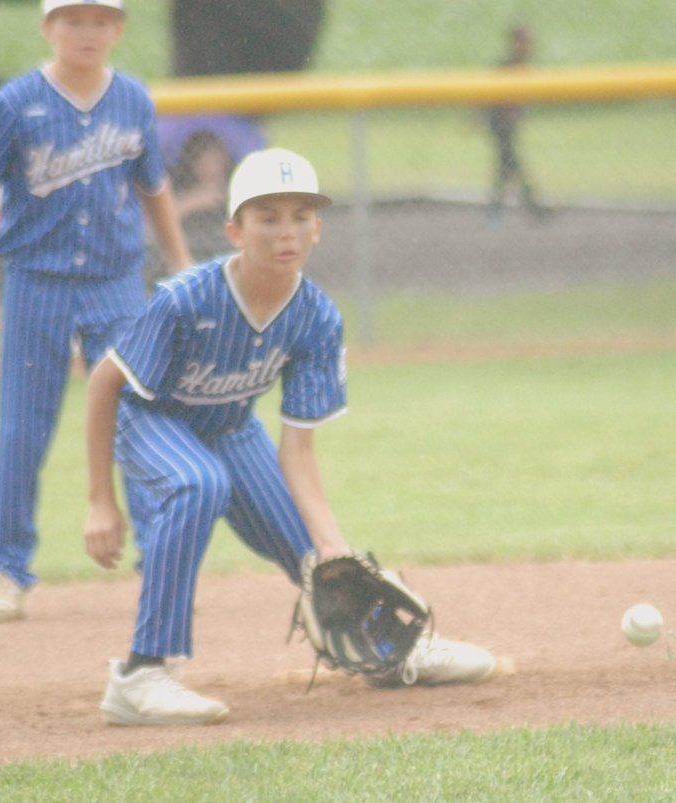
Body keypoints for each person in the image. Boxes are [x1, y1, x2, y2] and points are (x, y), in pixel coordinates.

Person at [83, 147, 496, 726]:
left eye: (301, 215)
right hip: (152, 420)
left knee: (323, 566)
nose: (286, 231)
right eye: (267, 216)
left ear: (318, 229)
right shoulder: (186, 298)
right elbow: (104, 383)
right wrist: (102, 500)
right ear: (235, 230)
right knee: (199, 483)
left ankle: (388, 652)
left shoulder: (316, 318)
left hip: (230, 426)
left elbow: (297, 450)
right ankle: (141, 675)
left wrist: (332, 543)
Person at [0, 0, 194, 624]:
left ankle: (158, 561)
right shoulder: (16, 101)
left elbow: (153, 187)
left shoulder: (133, 100)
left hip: (117, 282)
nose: (86, 32)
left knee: (137, 419)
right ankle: (7, 570)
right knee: (22, 428)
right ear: (47, 28)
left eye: (98, 20)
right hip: (37, 282)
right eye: (71, 19)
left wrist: (180, 259)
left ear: (118, 29)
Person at [486, 23, 550, 223]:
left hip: (508, 125)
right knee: (512, 166)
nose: (528, 44)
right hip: (500, 125)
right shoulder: (508, 65)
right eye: (524, 40)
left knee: (506, 167)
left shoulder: (522, 64)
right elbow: (488, 96)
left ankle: (497, 210)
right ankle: (531, 207)